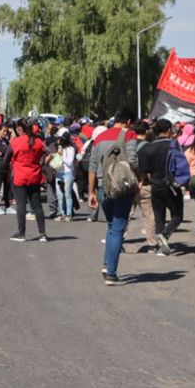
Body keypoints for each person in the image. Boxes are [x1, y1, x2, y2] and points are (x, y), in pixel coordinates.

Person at [88, 108, 139, 285]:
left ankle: (106, 264)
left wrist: (91, 191)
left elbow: (93, 166)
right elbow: (133, 161)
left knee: (111, 226)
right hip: (121, 185)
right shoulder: (130, 135)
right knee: (118, 227)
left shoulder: (100, 137)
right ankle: (111, 273)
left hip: (102, 187)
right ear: (129, 122)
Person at [138, 119, 184, 257]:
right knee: (177, 215)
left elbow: (144, 169)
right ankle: (164, 236)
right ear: (169, 130)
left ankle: (159, 247)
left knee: (159, 217)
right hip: (171, 185)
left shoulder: (148, 147)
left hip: (155, 184)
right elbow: (180, 163)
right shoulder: (173, 145)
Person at [7, 118, 48, 242]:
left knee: (21, 205)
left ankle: (21, 233)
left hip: (20, 176)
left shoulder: (16, 142)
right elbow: (48, 152)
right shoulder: (38, 141)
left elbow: (6, 158)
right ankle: (42, 233)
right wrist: (40, 162)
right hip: (34, 175)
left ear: (20, 128)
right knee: (37, 206)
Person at [132, 121, 157, 251]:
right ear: (146, 132)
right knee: (149, 215)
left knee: (124, 214)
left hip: (128, 184)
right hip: (145, 185)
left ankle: (117, 240)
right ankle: (152, 244)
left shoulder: (127, 146)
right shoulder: (150, 148)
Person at [54, 129, 76, 221]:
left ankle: (69, 214)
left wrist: (62, 155)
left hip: (68, 173)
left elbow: (70, 163)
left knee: (67, 194)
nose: (58, 140)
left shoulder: (71, 149)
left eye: (59, 138)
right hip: (59, 172)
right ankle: (62, 213)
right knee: (59, 195)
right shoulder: (60, 148)